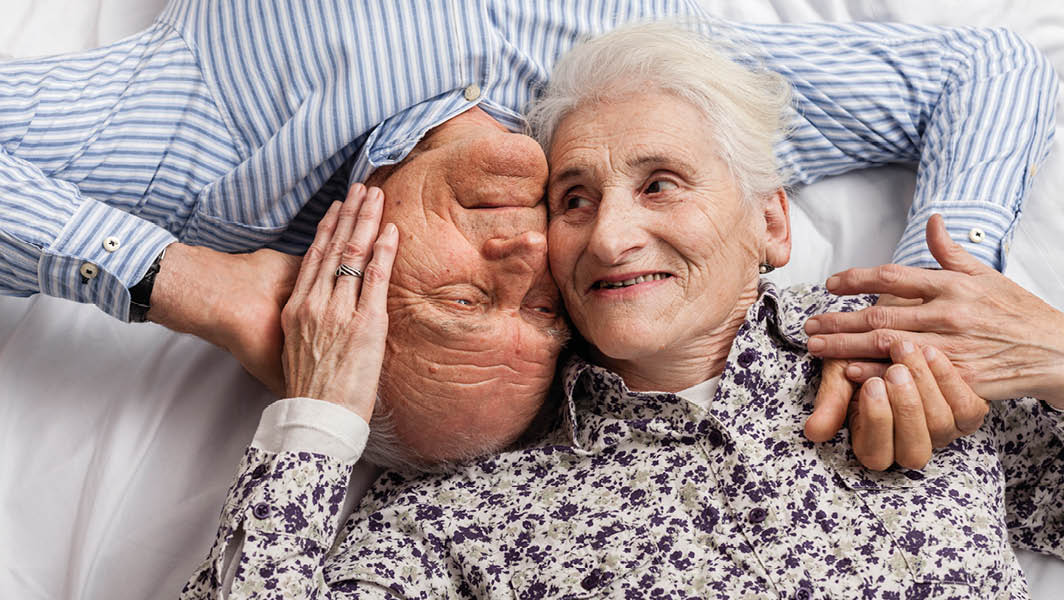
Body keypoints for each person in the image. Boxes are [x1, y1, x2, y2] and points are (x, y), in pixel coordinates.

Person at [182, 23, 1064, 599]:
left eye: (661, 184)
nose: (610, 237)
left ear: (771, 220)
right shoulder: (454, 511)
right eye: (572, 200)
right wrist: (321, 415)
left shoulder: (914, 370)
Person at [0, 1, 1057, 466]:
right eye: (551, 304)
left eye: (466, 300)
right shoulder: (638, 112)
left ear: (335, 286)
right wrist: (915, 317)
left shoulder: (208, 140)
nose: (537, 256)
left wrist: (183, 285)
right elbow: (990, 67)